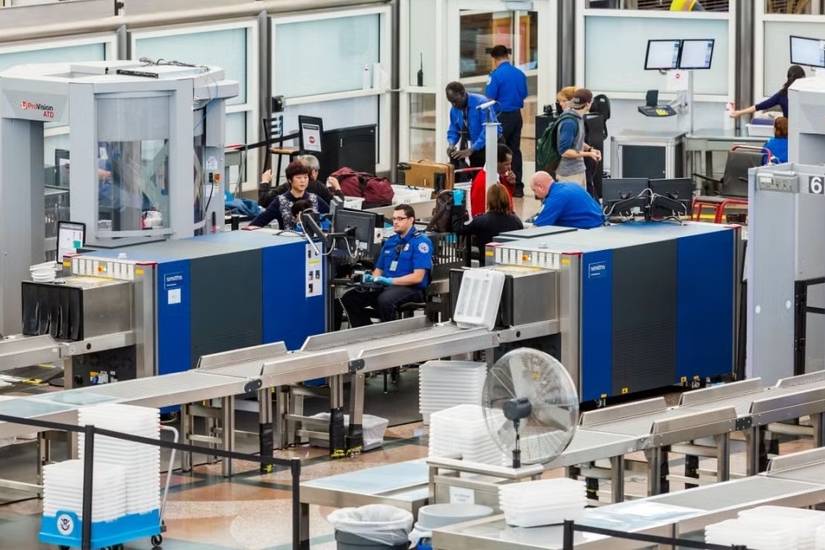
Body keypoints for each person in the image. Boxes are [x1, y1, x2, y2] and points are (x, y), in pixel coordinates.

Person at [340, 204, 433, 327]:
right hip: (386, 286)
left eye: (400, 219)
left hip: (411, 289)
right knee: (350, 298)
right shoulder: (391, 241)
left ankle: (390, 335)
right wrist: (369, 279)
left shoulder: (421, 242)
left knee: (385, 300)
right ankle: (365, 332)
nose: (395, 222)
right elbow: (378, 271)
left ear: (411, 220)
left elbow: (418, 277)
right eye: (394, 219)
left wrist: (390, 281)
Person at [485, 45, 528, 197]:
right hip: (517, 115)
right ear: (507, 56)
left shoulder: (495, 75)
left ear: (495, 59)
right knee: (515, 150)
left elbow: (490, 98)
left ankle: (501, 185)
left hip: (501, 116)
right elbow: (524, 94)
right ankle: (517, 187)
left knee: (500, 152)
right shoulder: (519, 74)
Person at [452, 184, 523, 266]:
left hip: (487, 267)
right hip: (510, 266)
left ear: (489, 200)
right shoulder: (516, 221)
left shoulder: (481, 221)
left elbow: (458, 229)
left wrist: (457, 205)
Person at [247, 161, 329, 230]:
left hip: (314, 245)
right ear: (290, 180)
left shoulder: (314, 199)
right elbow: (259, 221)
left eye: (305, 177)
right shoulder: (280, 201)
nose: (303, 181)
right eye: (299, 178)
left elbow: (332, 218)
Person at [445, 81, 501, 173]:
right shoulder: (455, 109)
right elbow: (454, 129)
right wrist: (451, 144)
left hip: (492, 144)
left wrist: (472, 149)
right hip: (476, 146)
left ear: (463, 94)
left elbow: (488, 131)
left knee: (490, 177)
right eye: (451, 102)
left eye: (455, 101)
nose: (453, 105)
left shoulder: (481, 103)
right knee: (476, 176)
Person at [556, 88, 601, 189]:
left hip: (578, 170)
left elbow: (576, 141)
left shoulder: (578, 117)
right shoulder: (569, 122)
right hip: (569, 174)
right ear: (588, 103)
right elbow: (564, 151)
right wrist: (588, 154)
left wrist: (590, 149)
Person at [528, 171, 604, 229]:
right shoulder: (571, 185)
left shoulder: (555, 198)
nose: (536, 194)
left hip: (587, 230)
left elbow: (539, 226)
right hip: (599, 224)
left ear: (540, 187)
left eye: (534, 190)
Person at [730, 65, 805, 120]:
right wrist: (739, 113)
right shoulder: (805, 93)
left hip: (788, 134)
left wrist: (739, 112)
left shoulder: (782, 94)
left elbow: (760, 106)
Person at [272, 154, 344, 203]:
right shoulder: (319, 187)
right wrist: (337, 188)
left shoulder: (287, 185)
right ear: (313, 172)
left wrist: (265, 182)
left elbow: (264, 201)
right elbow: (338, 204)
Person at [469, 143, 516, 217]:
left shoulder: (500, 177)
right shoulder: (482, 183)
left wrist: (509, 184)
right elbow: (478, 213)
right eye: (506, 164)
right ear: (496, 162)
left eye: (510, 164)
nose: (509, 168)